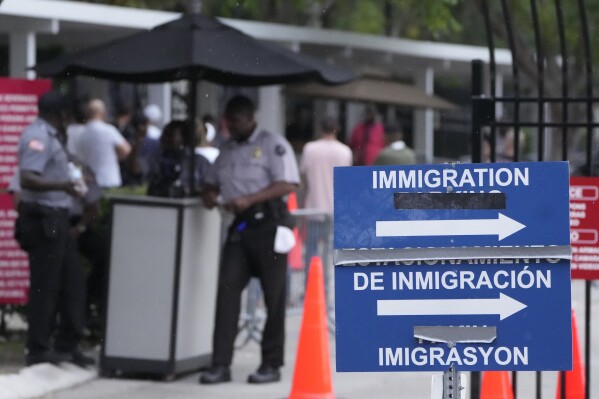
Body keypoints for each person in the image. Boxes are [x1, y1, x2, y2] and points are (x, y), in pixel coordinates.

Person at [200, 95, 299, 385]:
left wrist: (250, 198)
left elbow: (289, 183)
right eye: (228, 121)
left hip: (268, 225)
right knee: (227, 294)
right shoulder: (227, 149)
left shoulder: (272, 144)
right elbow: (211, 180)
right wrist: (209, 194)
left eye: (236, 120)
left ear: (249, 117)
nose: (231, 126)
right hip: (239, 229)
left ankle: (271, 364)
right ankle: (220, 364)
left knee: (274, 298)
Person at [14, 91, 94, 367]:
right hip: (44, 219)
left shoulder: (53, 137)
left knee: (73, 282)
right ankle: (37, 349)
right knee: (45, 287)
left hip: (58, 218)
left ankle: (67, 344)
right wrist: (63, 186)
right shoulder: (37, 137)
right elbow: (27, 178)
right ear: (60, 114)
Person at [299, 116, 352, 268]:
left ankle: (310, 282)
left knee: (311, 250)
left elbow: (303, 178)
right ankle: (327, 286)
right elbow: (346, 182)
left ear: (320, 128)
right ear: (338, 130)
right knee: (331, 253)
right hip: (335, 209)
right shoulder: (344, 151)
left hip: (313, 207)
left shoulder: (310, 149)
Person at [74, 99, 131, 189]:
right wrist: (115, 157)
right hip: (110, 179)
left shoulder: (81, 133)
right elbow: (126, 149)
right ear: (103, 113)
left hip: (91, 182)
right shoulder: (109, 130)